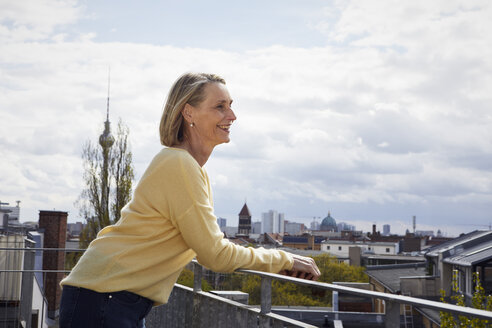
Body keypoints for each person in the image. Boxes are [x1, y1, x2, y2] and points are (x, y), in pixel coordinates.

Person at [59, 73, 321, 328]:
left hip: (112, 298)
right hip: (105, 299)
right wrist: (283, 260)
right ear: (188, 113)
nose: (232, 116)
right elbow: (215, 255)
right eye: (220, 107)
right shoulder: (179, 164)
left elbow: (208, 246)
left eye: (231, 106)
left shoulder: (189, 167)